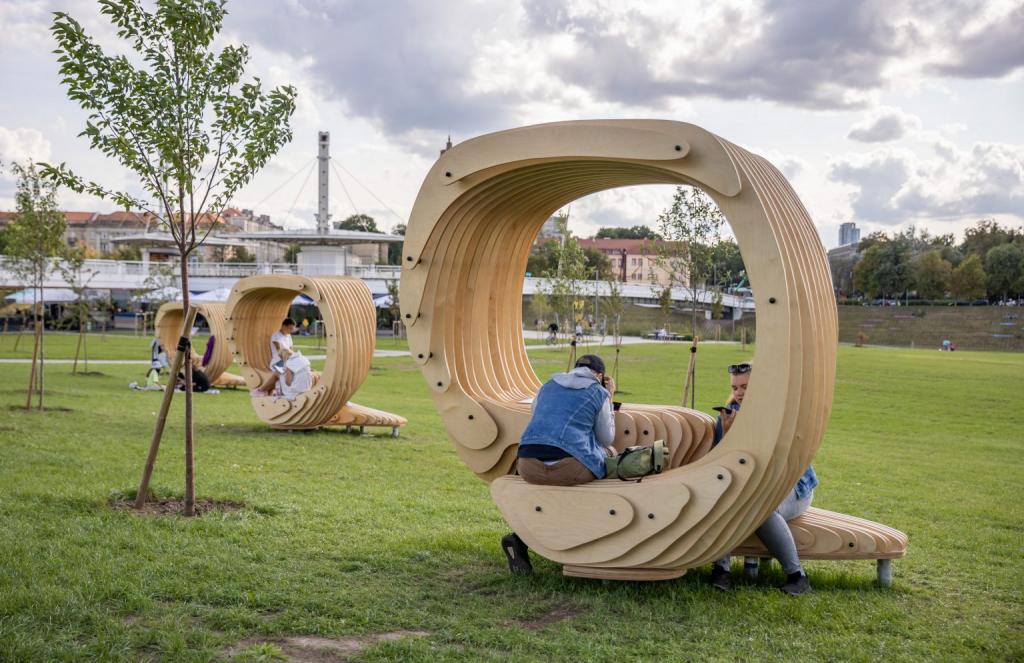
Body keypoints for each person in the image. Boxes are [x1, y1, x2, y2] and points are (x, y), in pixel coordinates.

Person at [501, 354, 617, 573]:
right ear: (600, 376)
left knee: (555, 489)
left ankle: (521, 538)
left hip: (526, 464)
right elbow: (606, 437)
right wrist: (609, 398)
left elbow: (537, 416)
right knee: (610, 454)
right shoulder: (598, 392)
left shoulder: (548, 386)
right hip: (568, 467)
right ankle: (598, 539)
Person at [709, 361, 817, 596]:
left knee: (763, 509)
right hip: (752, 488)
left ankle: (797, 576)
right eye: (735, 387)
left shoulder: (779, 414)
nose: (739, 393)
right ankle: (721, 569)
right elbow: (722, 466)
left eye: (745, 387)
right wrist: (728, 434)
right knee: (722, 498)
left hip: (792, 487)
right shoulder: (729, 413)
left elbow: (776, 464)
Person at [256, 318, 297, 395]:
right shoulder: (276, 336)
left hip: (286, 361)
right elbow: (280, 350)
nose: (291, 331)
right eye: (290, 328)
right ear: (284, 326)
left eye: (292, 329)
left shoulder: (288, 336)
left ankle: (288, 392)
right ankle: (276, 391)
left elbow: (291, 350)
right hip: (278, 362)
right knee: (287, 372)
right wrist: (289, 361)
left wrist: (294, 359)